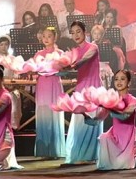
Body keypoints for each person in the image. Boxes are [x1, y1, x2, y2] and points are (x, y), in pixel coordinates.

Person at [86, 69, 136, 170]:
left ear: (129, 82)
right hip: (115, 136)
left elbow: (124, 116)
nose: (119, 82)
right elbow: (97, 120)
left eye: (122, 79)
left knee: (124, 164)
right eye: (116, 79)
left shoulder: (133, 100)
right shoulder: (110, 99)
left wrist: (110, 108)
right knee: (104, 138)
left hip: (127, 138)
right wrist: (83, 114)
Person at [65, 21, 102, 164]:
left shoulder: (93, 47)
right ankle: (78, 155)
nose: (76, 35)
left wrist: (73, 64)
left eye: (78, 31)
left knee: (90, 121)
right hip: (80, 88)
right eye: (73, 32)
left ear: (85, 32)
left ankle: (90, 155)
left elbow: (85, 59)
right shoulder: (73, 52)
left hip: (93, 89)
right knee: (78, 123)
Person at [33, 26, 66, 159]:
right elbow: (34, 70)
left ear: (55, 37)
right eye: (44, 36)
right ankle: (44, 150)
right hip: (42, 84)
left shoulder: (60, 53)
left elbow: (65, 70)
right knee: (43, 114)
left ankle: (55, 150)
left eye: (49, 36)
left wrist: (57, 71)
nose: (46, 39)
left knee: (54, 114)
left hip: (54, 83)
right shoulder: (38, 54)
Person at [91, 23, 125, 88]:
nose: (96, 36)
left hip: (104, 66)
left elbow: (111, 58)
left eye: (99, 34)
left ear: (102, 35)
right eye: (95, 34)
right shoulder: (91, 45)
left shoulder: (106, 45)